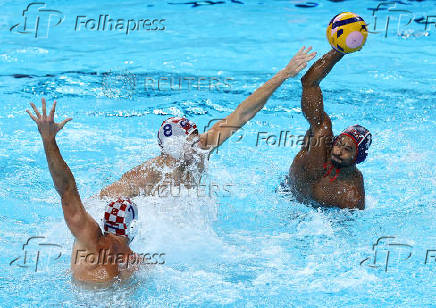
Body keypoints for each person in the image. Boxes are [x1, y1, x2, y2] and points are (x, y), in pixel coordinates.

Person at [99, 46, 316, 199]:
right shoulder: (151, 171)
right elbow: (103, 198)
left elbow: (244, 112)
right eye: (192, 140)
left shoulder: (202, 146)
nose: (199, 143)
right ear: (172, 148)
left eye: (197, 136)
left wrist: (284, 74)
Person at [27, 99, 143, 284]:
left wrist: (48, 140)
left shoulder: (89, 238)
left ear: (105, 221)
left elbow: (66, 189)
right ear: (133, 227)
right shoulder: (137, 264)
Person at [288, 49, 372, 210]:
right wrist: (339, 51)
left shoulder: (351, 193)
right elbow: (309, 82)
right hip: (285, 193)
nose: (339, 151)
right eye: (339, 144)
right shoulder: (321, 135)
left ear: (358, 157)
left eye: (347, 149)